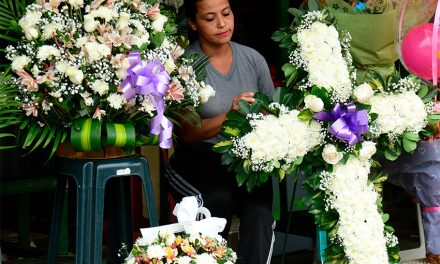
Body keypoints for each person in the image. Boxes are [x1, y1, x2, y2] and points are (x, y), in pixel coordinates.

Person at [164, 0, 276, 263]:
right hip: (198, 159)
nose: (222, 24)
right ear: (193, 23)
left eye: (226, 14)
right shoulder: (185, 66)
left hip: (246, 160)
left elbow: (272, 115)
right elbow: (187, 134)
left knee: (260, 215)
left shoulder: (253, 59)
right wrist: (231, 115)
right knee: (216, 203)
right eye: (210, 18)